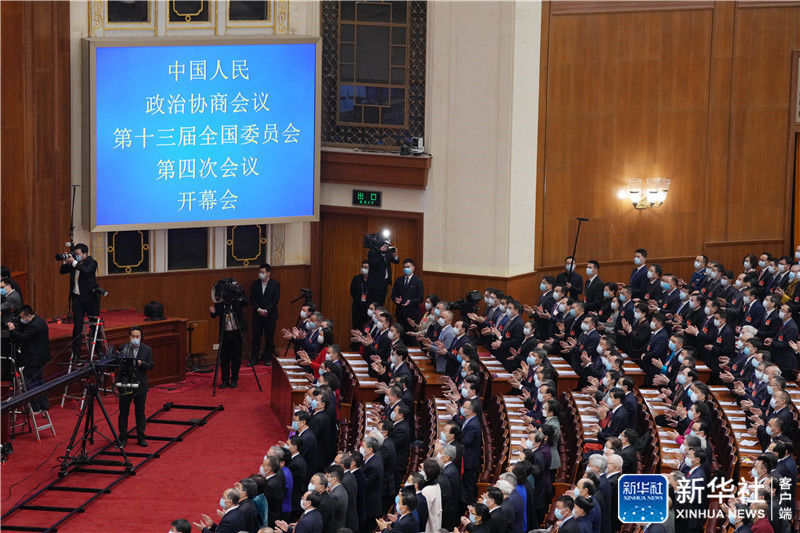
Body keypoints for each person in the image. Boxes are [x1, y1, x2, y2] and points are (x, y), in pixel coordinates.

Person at [58, 243, 100, 358]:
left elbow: (86, 271)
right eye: (75, 254)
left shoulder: (92, 262)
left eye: (78, 254)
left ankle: (98, 350)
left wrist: (74, 262)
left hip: (90, 298)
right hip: (77, 298)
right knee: (77, 326)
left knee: (94, 325)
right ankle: (76, 353)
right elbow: (62, 271)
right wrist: (66, 261)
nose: (76, 256)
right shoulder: (74, 263)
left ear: (85, 254)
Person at [6, 305, 51, 412]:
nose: (22, 320)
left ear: (29, 315)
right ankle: (43, 405)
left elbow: (23, 337)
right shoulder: (39, 320)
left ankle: (36, 406)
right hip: (40, 356)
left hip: (34, 358)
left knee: (31, 381)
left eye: (22, 317)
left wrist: (12, 330)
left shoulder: (34, 325)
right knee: (38, 380)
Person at [116, 326, 154, 447]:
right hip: (125, 385)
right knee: (123, 413)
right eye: (133, 336)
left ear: (141, 337)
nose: (135, 338)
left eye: (138, 336)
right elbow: (117, 364)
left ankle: (141, 437)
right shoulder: (123, 348)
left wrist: (141, 363)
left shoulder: (147, 349)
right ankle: (123, 438)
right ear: (129, 337)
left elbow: (151, 365)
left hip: (140, 385)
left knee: (140, 413)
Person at [210, 287, 248, 389]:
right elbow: (214, 314)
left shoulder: (236, 302)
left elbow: (246, 302)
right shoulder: (220, 303)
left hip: (236, 333)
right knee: (224, 358)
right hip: (224, 333)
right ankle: (225, 380)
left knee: (236, 358)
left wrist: (238, 294)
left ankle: (234, 378)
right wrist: (212, 312)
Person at [250, 263, 280, 365]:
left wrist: (266, 310)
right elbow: (252, 299)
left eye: (262, 272)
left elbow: (275, 300)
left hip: (270, 315)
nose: (260, 274)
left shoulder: (275, 284)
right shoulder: (255, 283)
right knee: (256, 337)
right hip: (257, 315)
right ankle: (254, 357)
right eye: (260, 272)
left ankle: (267, 358)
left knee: (269, 337)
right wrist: (259, 309)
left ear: (268, 273)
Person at [391, 258, 424, 344]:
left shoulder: (418, 281)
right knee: (400, 336)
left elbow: (420, 298)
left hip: (412, 314)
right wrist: (396, 300)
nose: (406, 269)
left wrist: (410, 301)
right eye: (404, 267)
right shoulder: (398, 280)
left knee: (410, 338)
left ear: (413, 268)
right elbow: (393, 295)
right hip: (400, 313)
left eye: (408, 267)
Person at [366, 236, 399, 306]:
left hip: (384, 283)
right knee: (373, 304)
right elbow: (374, 264)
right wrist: (382, 253)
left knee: (381, 303)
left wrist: (395, 256)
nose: (386, 246)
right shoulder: (372, 252)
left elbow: (396, 261)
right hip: (374, 283)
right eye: (385, 244)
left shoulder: (387, 252)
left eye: (388, 245)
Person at [350, 260, 371, 334]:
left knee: (366, 330)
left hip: (368, 310)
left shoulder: (373, 280)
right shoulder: (356, 278)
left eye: (366, 267)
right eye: (363, 267)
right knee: (356, 329)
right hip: (357, 308)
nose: (364, 269)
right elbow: (352, 292)